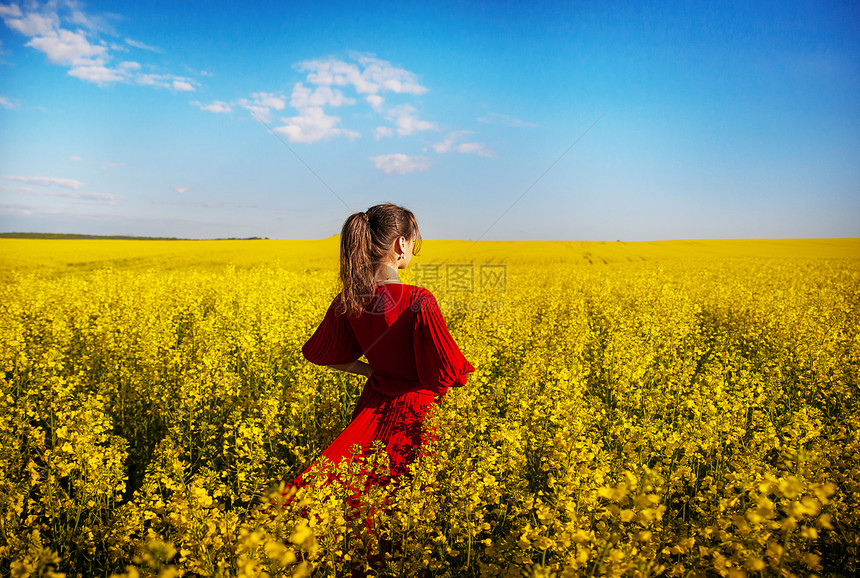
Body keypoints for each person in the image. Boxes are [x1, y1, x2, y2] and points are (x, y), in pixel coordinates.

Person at [288, 202, 475, 493]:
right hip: (415, 415)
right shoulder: (418, 299)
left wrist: (372, 370)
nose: (413, 248)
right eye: (414, 242)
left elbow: (321, 354)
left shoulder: (348, 299)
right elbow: (450, 377)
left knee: (354, 491)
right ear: (401, 243)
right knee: (404, 501)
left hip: (371, 408)